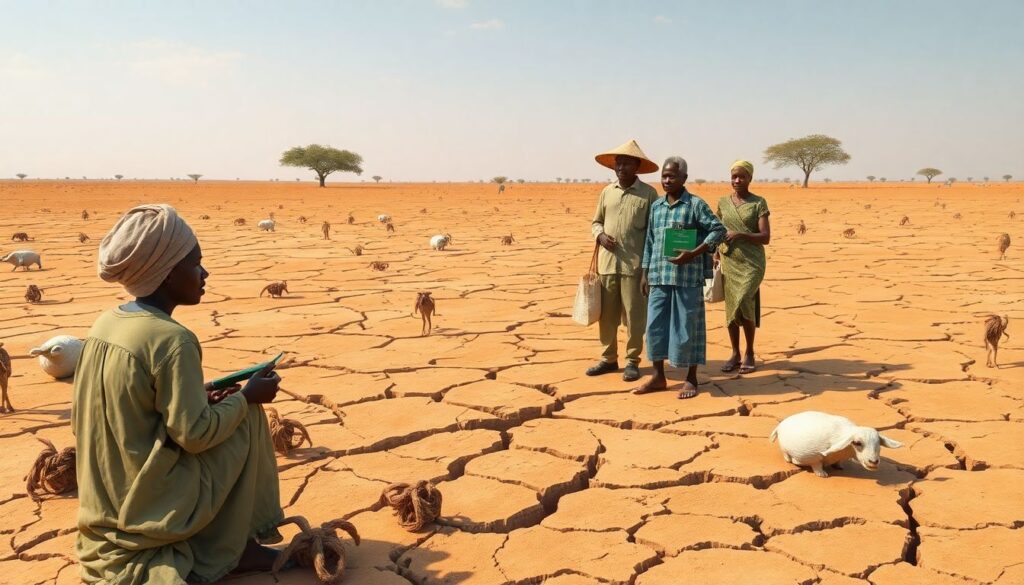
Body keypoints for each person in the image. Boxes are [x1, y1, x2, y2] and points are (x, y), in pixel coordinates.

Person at [73, 204, 286, 584]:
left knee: (235, 407)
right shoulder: (173, 339)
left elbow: (134, 403)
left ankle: (236, 543)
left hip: (108, 490)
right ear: (168, 273)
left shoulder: (106, 323)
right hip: (150, 500)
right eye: (195, 263)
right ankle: (239, 548)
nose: (204, 273)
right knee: (248, 419)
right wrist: (250, 397)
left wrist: (200, 393)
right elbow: (194, 435)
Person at [634, 157, 726, 398]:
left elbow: (719, 230)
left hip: (687, 277)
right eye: (664, 176)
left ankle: (691, 378)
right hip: (659, 276)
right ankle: (657, 376)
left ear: (684, 178)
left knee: (688, 328)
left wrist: (694, 252)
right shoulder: (656, 207)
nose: (666, 180)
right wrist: (645, 273)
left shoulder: (696, 205)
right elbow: (650, 242)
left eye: (672, 176)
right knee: (654, 328)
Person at [587, 140, 660, 382]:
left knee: (635, 316)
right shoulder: (607, 192)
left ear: (637, 166)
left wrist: (649, 269)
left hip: (635, 267)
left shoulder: (649, 194)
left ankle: (632, 361)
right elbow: (595, 222)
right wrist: (601, 236)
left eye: (627, 163)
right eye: (618, 163)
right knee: (606, 316)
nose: (621, 167)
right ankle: (608, 359)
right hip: (607, 265)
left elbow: (654, 232)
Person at [716, 160, 772, 374]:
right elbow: (716, 230)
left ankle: (749, 351)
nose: (737, 181)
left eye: (742, 176)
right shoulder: (723, 202)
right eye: (734, 177)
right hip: (729, 260)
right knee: (731, 306)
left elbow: (765, 237)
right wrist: (715, 253)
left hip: (752, 264)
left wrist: (740, 234)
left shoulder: (759, 203)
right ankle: (735, 353)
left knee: (744, 300)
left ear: (750, 178)